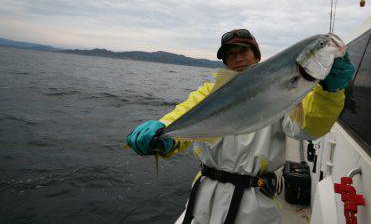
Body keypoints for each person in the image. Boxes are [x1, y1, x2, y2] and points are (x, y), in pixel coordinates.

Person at [126, 29, 355, 224]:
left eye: (243, 51)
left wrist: (329, 93)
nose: (238, 59)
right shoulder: (210, 91)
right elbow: (185, 113)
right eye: (231, 54)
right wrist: (164, 133)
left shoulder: (282, 87)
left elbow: (308, 128)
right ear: (225, 62)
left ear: (256, 55)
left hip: (254, 205)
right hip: (204, 200)